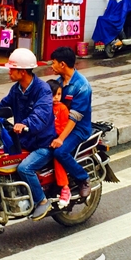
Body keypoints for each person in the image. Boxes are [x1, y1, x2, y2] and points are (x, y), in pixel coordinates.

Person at [0, 48, 56, 221]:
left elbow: (40, 116)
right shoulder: (16, 89)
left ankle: (41, 201)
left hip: (43, 143)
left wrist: (25, 124)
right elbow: (2, 107)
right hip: (24, 141)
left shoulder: (43, 90)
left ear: (23, 71)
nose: (9, 72)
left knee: (25, 168)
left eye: (12, 69)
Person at [50, 47, 92, 199]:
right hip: (60, 125)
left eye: (53, 63)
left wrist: (61, 139)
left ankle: (83, 178)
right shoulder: (59, 82)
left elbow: (74, 118)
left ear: (62, 64)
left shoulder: (82, 86)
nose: (51, 66)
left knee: (60, 151)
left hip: (78, 129)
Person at [47, 79, 71, 208]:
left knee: (57, 155)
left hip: (59, 138)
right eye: (53, 94)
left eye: (59, 94)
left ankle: (65, 187)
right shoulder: (44, 107)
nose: (56, 98)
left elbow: (64, 127)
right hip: (46, 139)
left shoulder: (62, 108)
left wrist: (55, 135)